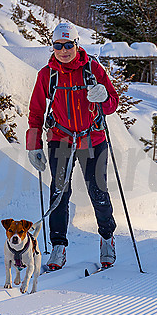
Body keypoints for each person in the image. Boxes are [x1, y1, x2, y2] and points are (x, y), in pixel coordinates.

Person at [26, 22, 120, 270]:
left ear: (77, 45)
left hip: (93, 139)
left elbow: (113, 103)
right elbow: (36, 111)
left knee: (98, 191)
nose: (64, 50)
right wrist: (33, 145)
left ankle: (107, 238)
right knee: (58, 193)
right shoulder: (47, 75)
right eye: (58, 45)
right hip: (60, 138)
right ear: (53, 47)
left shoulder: (92, 68)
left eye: (69, 45)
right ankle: (58, 246)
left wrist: (104, 99)